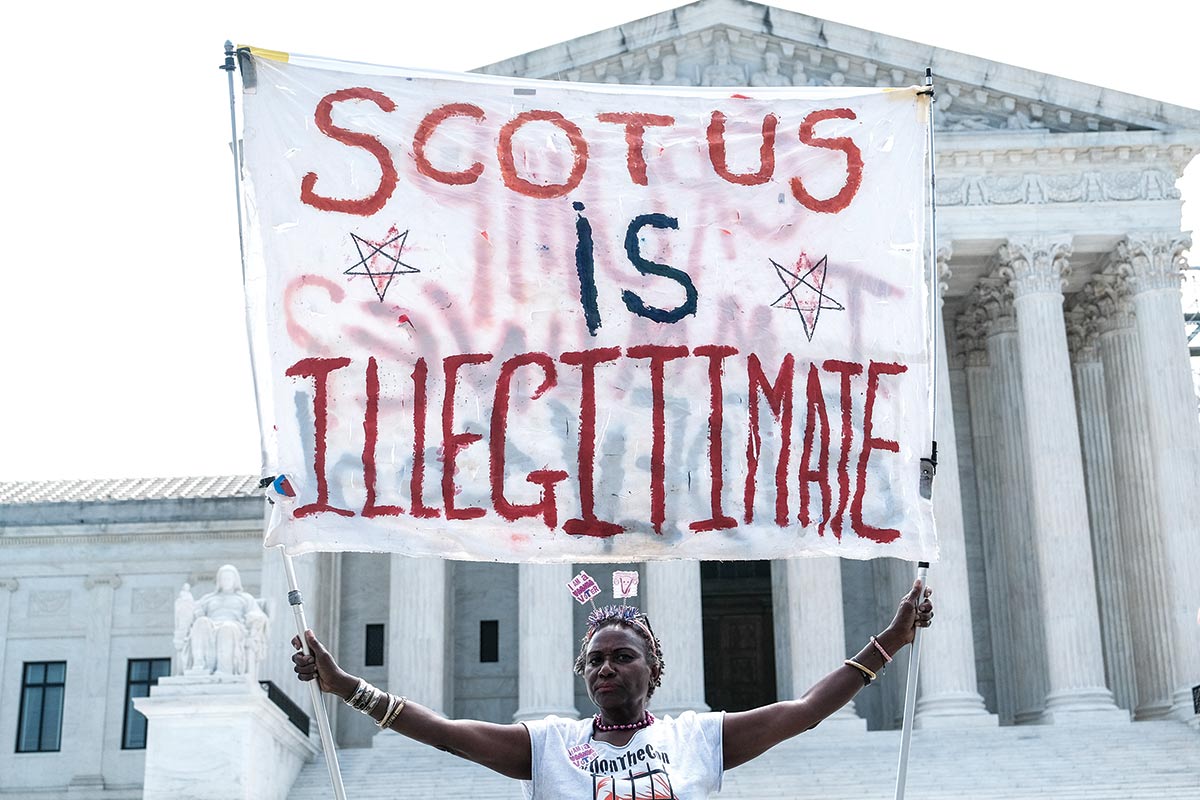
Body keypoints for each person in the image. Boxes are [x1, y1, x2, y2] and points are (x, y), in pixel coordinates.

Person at [293, 578, 933, 798]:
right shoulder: (550, 747)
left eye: (622, 657)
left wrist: (891, 642)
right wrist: (347, 685)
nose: (605, 668)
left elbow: (804, 711)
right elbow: (445, 733)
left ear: (653, 670)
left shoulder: (696, 739)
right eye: (595, 661)